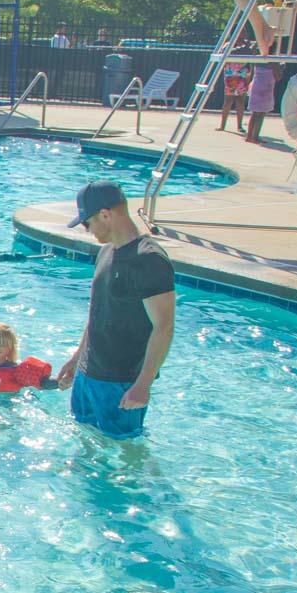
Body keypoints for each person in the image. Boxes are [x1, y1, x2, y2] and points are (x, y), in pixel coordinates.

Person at [57, 182, 176, 439]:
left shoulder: (148, 259)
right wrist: (77, 358)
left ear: (105, 214)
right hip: (88, 377)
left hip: (122, 384)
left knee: (125, 453)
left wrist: (143, 385)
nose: (87, 230)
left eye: (86, 223)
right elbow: (97, 313)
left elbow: (164, 326)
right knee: (85, 443)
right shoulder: (106, 252)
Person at [218, 42, 252, 132]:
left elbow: (251, 56)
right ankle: (222, 125)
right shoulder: (228, 44)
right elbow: (222, 55)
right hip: (231, 75)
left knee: (240, 101)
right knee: (228, 101)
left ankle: (239, 126)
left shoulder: (247, 45)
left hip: (242, 75)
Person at [243, 63, 280, 144]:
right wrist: (276, 67)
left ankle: (249, 136)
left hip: (256, 86)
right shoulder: (274, 62)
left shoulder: (257, 60)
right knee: (261, 114)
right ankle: (255, 137)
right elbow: (278, 77)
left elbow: (252, 74)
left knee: (254, 113)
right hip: (266, 88)